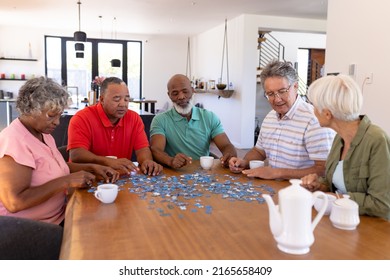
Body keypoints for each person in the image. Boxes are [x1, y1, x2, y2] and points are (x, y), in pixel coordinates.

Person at [0, 77, 119, 226]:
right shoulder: (14, 140)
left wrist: (92, 168)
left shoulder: (43, 134)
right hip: (30, 231)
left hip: (60, 215)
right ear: (30, 109)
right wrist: (66, 181)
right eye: (51, 116)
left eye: (59, 115)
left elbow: (55, 167)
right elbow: (15, 202)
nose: (57, 122)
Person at [301, 74, 390, 220]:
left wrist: (337, 198)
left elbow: (381, 204)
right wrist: (319, 185)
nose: (313, 110)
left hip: (371, 229)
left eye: (314, 106)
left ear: (327, 114)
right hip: (340, 220)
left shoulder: (377, 140)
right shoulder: (339, 137)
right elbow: (335, 183)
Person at [229, 60, 335, 179]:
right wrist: (244, 162)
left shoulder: (314, 120)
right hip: (273, 188)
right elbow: (259, 151)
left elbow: (324, 169)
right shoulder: (270, 116)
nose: (277, 99)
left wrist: (277, 173)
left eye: (282, 91)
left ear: (295, 86)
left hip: (302, 191)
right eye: (270, 94)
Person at [68, 77, 162, 176]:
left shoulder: (134, 118)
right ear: (102, 99)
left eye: (126, 99)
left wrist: (147, 161)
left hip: (120, 177)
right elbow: (76, 154)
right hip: (87, 177)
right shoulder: (82, 118)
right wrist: (107, 161)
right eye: (117, 99)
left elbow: (142, 149)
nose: (123, 104)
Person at [150, 74, 237, 169]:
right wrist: (171, 161)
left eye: (185, 91)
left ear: (192, 91)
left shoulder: (210, 117)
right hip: (174, 172)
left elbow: (226, 145)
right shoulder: (160, 120)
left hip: (203, 172)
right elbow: (156, 150)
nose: (181, 97)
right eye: (175, 93)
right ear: (169, 95)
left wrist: (230, 156)